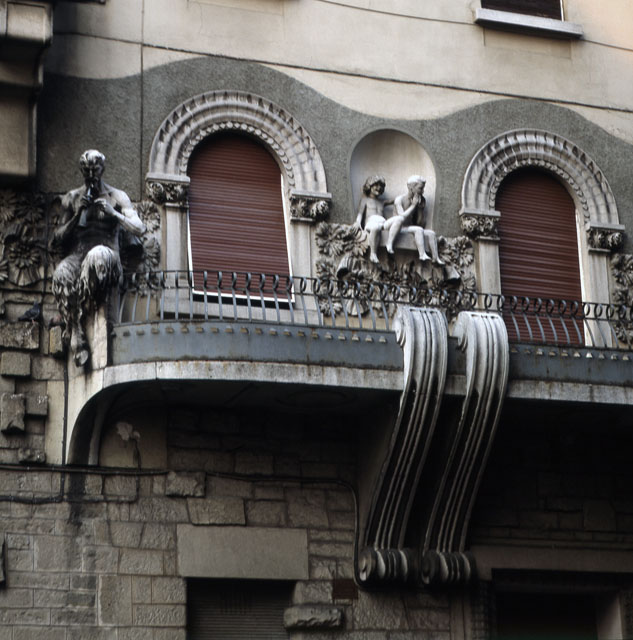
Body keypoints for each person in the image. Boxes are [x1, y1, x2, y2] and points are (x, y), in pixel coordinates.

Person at [52, 149, 145, 366]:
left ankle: (93, 315)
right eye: (86, 171)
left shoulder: (117, 197)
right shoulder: (73, 198)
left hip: (107, 256)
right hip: (77, 257)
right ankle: (76, 331)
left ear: (103, 169)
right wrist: (77, 216)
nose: (91, 175)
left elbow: (139, 228)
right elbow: (57, 238)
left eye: (95, 170)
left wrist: (114, 214)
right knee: (61, 273)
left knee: (98, 255)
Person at [384, 175, 443, 265]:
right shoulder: (399, 199)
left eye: (423, 189)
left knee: (431, 233)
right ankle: (422, 254)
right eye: (420, 188)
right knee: (418, 230)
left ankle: (435, 258)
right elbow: (402, 217)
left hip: (409, 227)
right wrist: (413, 206)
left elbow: (420, 224)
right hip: (398, 227)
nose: (422, 191)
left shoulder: (420, 200)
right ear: (411, 188)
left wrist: (420, 209)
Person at [354, 175, 392, 263]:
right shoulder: (365, 200)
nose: (379, 188)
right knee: (375, 228)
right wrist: (357, 222)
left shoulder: (382, 202)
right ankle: (373, 253)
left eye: (381, 186)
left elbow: (395, 200)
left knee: (396, 221)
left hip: (382, 223)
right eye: (376, 185)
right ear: (369, 186)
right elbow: (360, 213)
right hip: (371, 223)